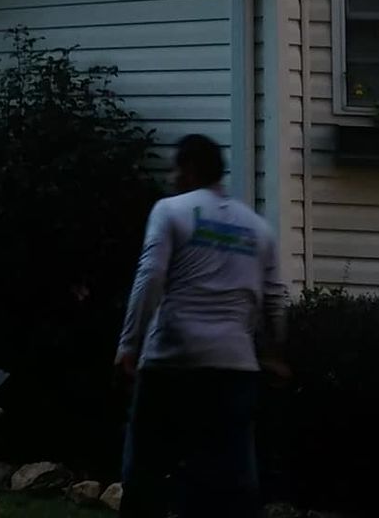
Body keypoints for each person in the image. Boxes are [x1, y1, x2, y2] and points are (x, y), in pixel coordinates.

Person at [114, 133, 286, 518]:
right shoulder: (258, 228)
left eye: (177, 168)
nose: (173, 177)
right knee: (228, 483)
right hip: (234, 367)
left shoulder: (170, 210)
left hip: (171, 362)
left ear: (189, 169)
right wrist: (273, 354)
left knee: (146, 473)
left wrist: (129, 344)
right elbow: (274, 297)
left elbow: (150, 277)